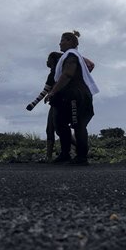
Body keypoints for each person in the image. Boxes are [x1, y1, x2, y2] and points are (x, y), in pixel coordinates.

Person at [44, 31, 99, 165]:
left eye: (62, 40)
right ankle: (65, 154)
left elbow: (67, 74)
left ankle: (81, 157)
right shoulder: (70, 56)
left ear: (70, 41)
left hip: (76, 94)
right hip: (67, 95)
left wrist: (52, 92)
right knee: (60, 124)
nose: (60, 43)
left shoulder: (72, 56)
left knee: (78, 125)